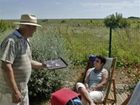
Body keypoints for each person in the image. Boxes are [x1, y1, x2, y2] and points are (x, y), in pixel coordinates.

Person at [0, 14, 45, 105]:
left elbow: (28, 61)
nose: (35, 30)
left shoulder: (25, 40)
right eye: (33, 27)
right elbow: (6, 66)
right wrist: (15, 91)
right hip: (10, 92)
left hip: (23, 90)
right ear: (25, 26)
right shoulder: (11, 41)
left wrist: (43, 65)